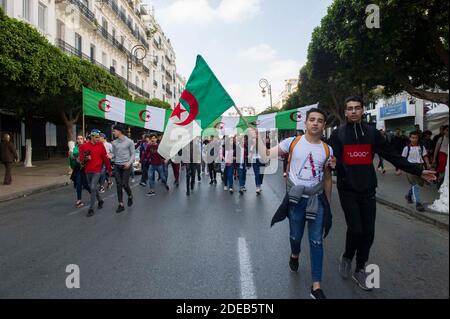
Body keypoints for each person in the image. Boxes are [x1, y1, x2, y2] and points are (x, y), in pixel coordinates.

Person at [329, 96, 436, 291]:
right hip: (347, 189)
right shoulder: (337, 134)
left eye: (357, 108)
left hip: (368, 189)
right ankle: (347, 256)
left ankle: (360, 268)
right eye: (350, 108)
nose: (353, 111)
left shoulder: (372, 133)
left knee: (368, 232)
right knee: (356, 229)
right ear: (345, 112)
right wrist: (333, 165)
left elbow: (391, 155)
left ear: (362, 111)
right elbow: (330, 157)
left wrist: (418, 171)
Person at [249, 108, 334, 299]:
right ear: (305, 123)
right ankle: (294, 254)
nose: (315, 123)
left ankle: (316, 286)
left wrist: (328, 204)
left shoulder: (328, 150)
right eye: (312, 119)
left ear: (324, 125)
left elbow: (327, 179)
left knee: (316, 241)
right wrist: (257, 138)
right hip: (296, 201)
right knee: (295, 236)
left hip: (317, 201)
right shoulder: (292, 142)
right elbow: (266, 155)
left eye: (320, 120)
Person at [79, 129, 112, 217]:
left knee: (93, 187)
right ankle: (100, 200)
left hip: (97, 171)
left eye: (99, 137)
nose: (98, 139)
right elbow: (81, 160)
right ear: (92, 137)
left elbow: (105, 159)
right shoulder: (83, 146)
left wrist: (109, 169)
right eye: (97, 137)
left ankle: (91, 209)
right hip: (87, 171)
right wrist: (86, 159)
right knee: (92, 188)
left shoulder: (101, 146)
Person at [403, 131, 430, 212]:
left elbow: (425, 156)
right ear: (410, 138)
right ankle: (418, 203)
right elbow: (402, 159)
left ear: (418, 138)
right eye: (413, 138)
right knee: (416, 184)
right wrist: (399, 169)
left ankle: (408, 195)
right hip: (410, 167)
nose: (414, 139)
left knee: (416, 184)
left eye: (416, 138)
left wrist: (428, 164)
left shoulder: (421, 147)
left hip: (420, 167)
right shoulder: (406, 148)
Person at [111, 126, 135, 213]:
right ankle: (120, 204)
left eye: (114, 131)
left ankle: (130, 196)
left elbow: (133, 154)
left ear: (120, 131)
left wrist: (129, 163)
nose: (113, 132)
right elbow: (114, 153)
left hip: (126, 166)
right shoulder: (114, 142)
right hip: (117, 165)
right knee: (118, 185)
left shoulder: (129, 142)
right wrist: (110, 156)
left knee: (125, 184)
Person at [69, 134, 91, 208]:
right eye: (78, 139)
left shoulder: (86, 147)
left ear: (83, 139)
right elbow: (72, 160)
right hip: (78, 169)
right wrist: (71, 156)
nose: (79, 140)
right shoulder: (74, 148)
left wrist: (78, 158)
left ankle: (95, 195)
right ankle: (79, 200)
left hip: (86, 168)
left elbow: (87, 158)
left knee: (86, 185)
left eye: (81, 139)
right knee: (78, 184)